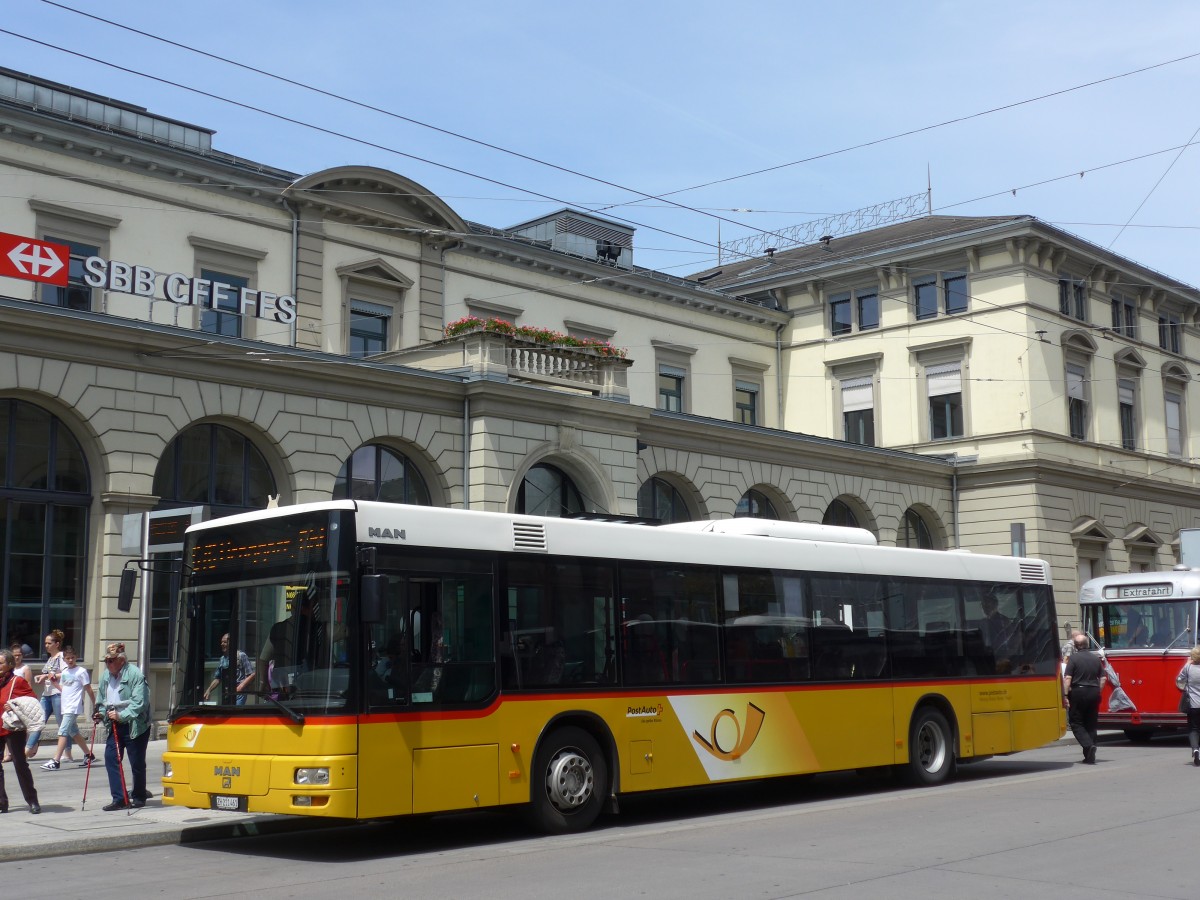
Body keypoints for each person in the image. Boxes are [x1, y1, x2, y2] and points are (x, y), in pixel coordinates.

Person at [93, 642, 152, 810]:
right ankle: (120, 798)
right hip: (114, 725)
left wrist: (121, 715)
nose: (108, 664)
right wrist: (100, 713)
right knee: (111, 758)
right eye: (107, 661)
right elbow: (101, 700)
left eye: (111, 661)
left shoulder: (135, 675)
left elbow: (139, 703)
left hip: (135, 725)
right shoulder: (106, 676)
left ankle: (139, 795)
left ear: (121, 660)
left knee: (137, 762)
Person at [41, 646, 96, 770]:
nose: (70, 660)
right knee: (73, 732)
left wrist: (95, 704)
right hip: (65, 706)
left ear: (76, 657)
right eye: (68, 658)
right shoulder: (65, 672)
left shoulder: (81, 671)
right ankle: (89, 755)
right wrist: (54, 682)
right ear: (64, 659)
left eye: (72, 658)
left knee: (63, 731)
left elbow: (89, 689)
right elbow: (63, 689)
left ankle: (56, 761)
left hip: (73, 706)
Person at [0, 649, 41, 813]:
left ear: (10, 665)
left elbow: (32, 700)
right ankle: (2, 803)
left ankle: (32, 800)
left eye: (1, 662)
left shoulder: (17, 681)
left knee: (20, 764)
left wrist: (15, 705)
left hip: (12, 728)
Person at [1063, 632, 1106, 764]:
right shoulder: (1095, 659)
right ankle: (1089, 756)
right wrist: (1098, 691)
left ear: (1075, 646)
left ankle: (1088, 746)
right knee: (1091, 723)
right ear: (1087, 645)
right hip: (1093, 691)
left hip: (1078, 692)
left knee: (1076, 723)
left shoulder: (1074, 659)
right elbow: (1103, 678)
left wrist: (1065, 695)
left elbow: (1068, 679)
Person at [28, 629, 67, 760]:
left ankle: (67, 752)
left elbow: (67, 673)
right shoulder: (50, 659)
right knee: (38, 721)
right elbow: (47, 675)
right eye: (45, 643)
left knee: (63, 724)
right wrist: (41, 677)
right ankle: (28, 749)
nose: (46, 645)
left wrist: (53, 676)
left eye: (49, 643)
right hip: (47, 694)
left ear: (57, 644)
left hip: (57, 694)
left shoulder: (62, 657)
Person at [203, 634, 254, 705]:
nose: (222, 644)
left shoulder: (241, 655)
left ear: (231, 643)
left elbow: (251, 674)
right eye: (221, 642)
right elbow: (218, 678)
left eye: (224, 642)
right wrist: (209, 690)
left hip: (239, 694)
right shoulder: (222, 659)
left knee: (235, 713)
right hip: (226, 693)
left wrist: (241, 687)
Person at [1176, 645, 1200, 766]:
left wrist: (1187, 663)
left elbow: (1179, 679)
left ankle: (1196, 750)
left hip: (1193, 705)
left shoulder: (1188, 667)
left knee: (1193, 729)